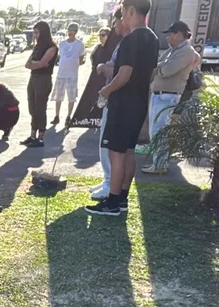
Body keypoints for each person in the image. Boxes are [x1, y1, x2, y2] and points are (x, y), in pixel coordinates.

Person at [86, 0, 159, 216]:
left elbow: (124, 74)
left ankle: (112, 203)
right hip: (139, 103)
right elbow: (152, 73)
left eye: (123, 13)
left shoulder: (131, 39)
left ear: (130, 11)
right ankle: (123, 198)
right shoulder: (153, 38)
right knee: (128, 151)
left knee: (115, 153)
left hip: (122, 104)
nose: (122, 18)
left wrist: (106, 90)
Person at [142, 21, 201, 175]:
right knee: (154, 131)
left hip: (169, 96)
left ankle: (160, 164)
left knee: (160, 131)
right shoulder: (172, 51)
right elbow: (157, 64)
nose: (168, 37)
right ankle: (157, 162)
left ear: (180, 34)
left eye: (170, 34)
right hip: (158, 94)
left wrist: (158, 68)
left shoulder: (186, 51)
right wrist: (159, 67)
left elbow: (167, 70)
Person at [81, 10, 125, 200]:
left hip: (117, 99)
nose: (114, 26)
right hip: (111, 97)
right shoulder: (121, 42)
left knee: (112, 145)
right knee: (105, 142)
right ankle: (107, 179)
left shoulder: (130, 42)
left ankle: (110, 184)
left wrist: (103, 68)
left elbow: (121, 70)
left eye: (116, 22)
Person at [21, 21, 59, 148]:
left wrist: (36, 64)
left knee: (40, 108)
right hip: (33, 78)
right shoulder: (37, 47)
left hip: (44, 79)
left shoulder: (52, 47)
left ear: (43, 32)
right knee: (32, 107)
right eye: (34, 32)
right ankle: (32, 136)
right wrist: (36, 64)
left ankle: (41, 137)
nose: (35, 35)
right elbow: (27, 64)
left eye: (37, 32)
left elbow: (43, 63)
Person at [52, 23, 86, 127]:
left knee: (71, 97)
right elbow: (60, 56)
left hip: (72, 74)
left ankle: (68, 116)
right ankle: (56, 116)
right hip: (61, 73)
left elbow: (81, 59)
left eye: (73, 30)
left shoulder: (80, 44)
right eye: (70, 30)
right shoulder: (62, 44)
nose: (71, 32)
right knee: (58, 96)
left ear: (76, 32)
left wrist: (76, 63)